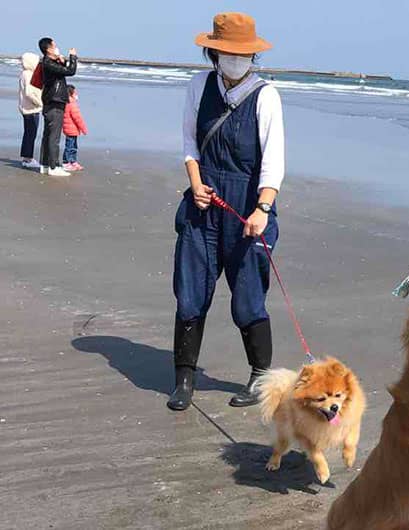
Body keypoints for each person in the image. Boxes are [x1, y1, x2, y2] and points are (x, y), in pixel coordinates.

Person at [168, 12, 284, 411]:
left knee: (248, 299)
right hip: (203, 205)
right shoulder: (199, 86)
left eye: (244, 54)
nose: (237, 60)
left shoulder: (266, 95)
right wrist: (196, 183)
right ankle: (184, 378)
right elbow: (189, 141)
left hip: (248, 209)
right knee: (190, 295)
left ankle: (259, 378)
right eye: (229, 53)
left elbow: (274, 161)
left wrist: (263, 209)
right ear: (213, 53)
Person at [37, 37, 77, 177]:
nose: (57, 48)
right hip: (54, 101)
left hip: (52, 100)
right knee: (53, 136)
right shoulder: (48, 63)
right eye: (54, 46)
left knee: (48, 134)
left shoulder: (49, 62)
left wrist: (62, 60)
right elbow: (70, 71)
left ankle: (45, 165)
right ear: (48, 49)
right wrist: (73, 57)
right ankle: (54, 166)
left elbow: (63, 69)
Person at [18, 52, 43, 169]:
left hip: (27, 108)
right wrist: (39, 103)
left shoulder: (25, 73)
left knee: (28, 133)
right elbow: (29, 93)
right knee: (30, 134)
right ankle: (28, 159)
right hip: (31, 109)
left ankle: (26, 157)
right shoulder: (28, 74)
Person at [62, 85, 88, 171]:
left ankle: (73, 161)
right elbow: (77, 118)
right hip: (71, 129)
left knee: (73, 146)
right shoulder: (71, 104)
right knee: (70, 147)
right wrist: (83, 128)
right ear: (71, 93)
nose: (77, 94)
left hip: (70, 129)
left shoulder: (66, 102)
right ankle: (66, 162)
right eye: (75, 92)